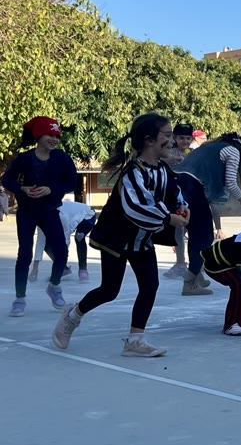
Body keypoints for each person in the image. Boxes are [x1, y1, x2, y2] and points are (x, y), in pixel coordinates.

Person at [51, 114, 186, 356]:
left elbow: (173, 193)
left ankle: (135, 340)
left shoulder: (163, 171)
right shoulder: (132, 173)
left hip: (141, 239)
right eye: (166, 135)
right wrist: (168, 217)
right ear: (149, 140)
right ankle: (71, 317)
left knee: (150, 286)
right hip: (117, 239)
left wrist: (181, 207)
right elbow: (136, 207)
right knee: (109, 290)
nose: (172, 141)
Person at [2, 116, 78, 316]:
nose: (54, 139)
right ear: (38, 136)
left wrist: (51, 189)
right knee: (24, 254)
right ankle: (19, 299)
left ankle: (54, 286)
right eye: (50, 135)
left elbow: (72, 182)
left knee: (61, 252)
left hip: (50, 211)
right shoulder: (24, 159)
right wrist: (22, 189)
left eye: (56, 136)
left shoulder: (61, 158)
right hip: (27, 212)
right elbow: (6, 179)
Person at [175, 132, 241, 296]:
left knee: (196, 236)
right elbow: (231, 183)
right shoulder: (232, 151)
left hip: (179, 184)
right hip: (193, 187)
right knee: (204, 238)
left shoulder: (207, 147)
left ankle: (196, 275)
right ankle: (189, 283)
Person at [31, 200, 97, 283]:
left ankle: (83, 269)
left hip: (87, 215)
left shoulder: (62, 216)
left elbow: (65, 239)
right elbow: (40, 242)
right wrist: (35, 268)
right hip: (72, 217)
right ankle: (64, 269)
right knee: (47, 245)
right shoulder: (41, 219)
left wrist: (60, 261)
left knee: (79, 237)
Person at [162, 123, 195, 279]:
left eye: (188, 138)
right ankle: (180, 263)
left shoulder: (194, 154)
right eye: (182, 138)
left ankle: (196, 264)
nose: (185, 141)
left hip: (192, 196)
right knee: (178, 230)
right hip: (175, 197)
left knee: (194, 231)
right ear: (174, 137)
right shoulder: (168, 152)